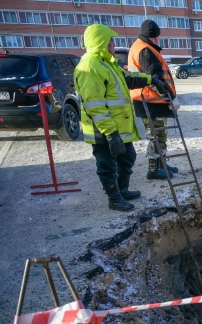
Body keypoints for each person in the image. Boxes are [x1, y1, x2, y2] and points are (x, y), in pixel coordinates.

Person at [74, 24, 170, 211]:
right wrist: (111, 134)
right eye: (110, 41)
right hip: (103, 129)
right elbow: (95, 106)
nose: (113, 44)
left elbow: (129, 78)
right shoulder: (90, 67)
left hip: (118, 127)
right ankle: (114, 199)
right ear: (100, 42)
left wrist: (152, 80)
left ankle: (123, 190)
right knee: (107, 165)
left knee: (127, 158)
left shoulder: (107, 64)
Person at [128, 19, 179, 180]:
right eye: (158, 36)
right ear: (154, 36)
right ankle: (154, 169)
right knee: (156, 135)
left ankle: (161, 164)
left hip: (150, 100)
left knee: (160, 134)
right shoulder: (145, 50)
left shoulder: (142, 47)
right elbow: (155, 79)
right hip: (150, 101)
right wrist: (170, 98)